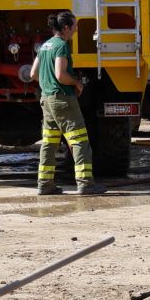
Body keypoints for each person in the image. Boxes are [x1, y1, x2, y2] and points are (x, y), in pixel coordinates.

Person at [35, 13, 103, 196]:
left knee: (49, 142)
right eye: (74, 26)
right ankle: (86, 184)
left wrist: (46, 85)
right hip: (63, 99)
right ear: (65, 28)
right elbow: (60, 75)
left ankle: (45, 184)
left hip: (47, 100)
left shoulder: (44, 46)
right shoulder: (61, 46)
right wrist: (76, 83)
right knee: (80, 141)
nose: (76, 29)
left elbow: (34, 73)